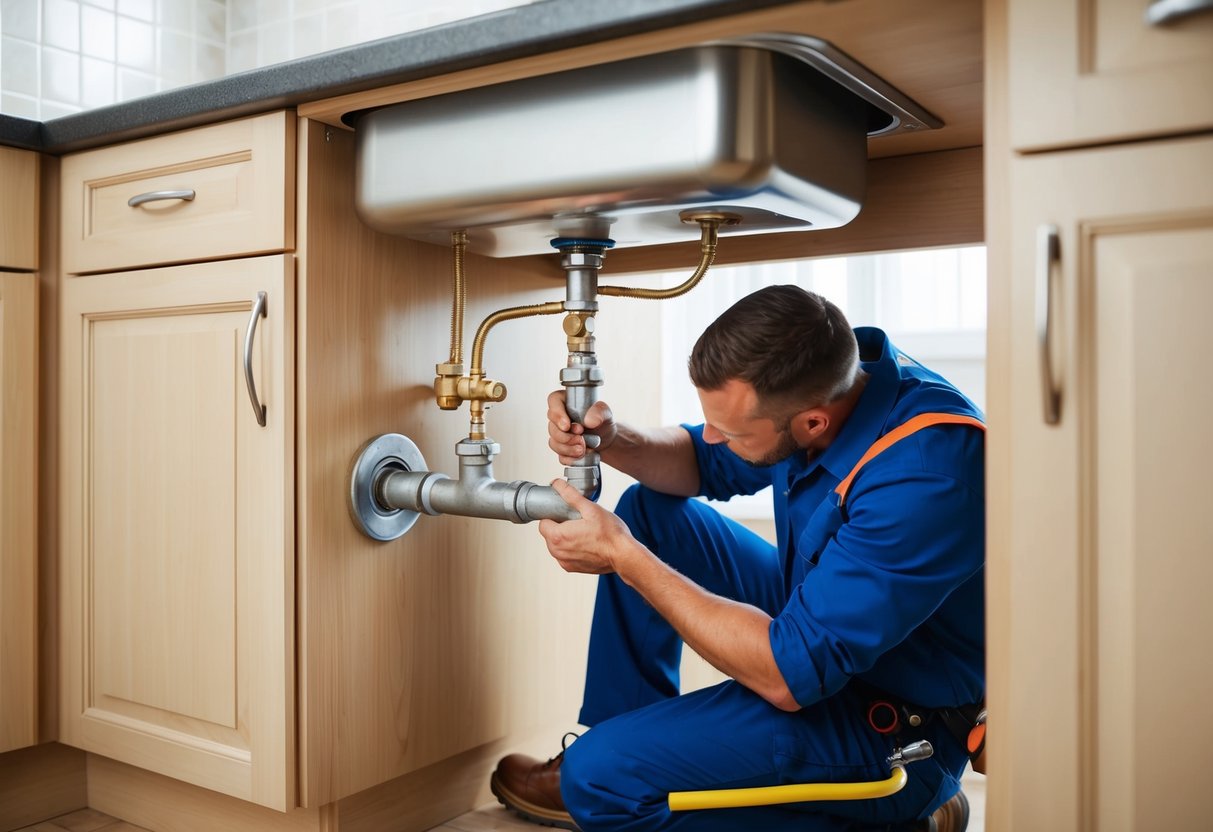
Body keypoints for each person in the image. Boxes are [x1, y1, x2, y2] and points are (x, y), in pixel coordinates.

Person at [490, 285, 985, 832]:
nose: (711, 433)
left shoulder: (926, 475)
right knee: (652, 515)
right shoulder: (838, 384)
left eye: (729, 429)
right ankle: (622, 745)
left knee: (600, 782)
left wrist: (622, 557)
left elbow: (787, 675)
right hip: (827, 630)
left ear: (813, 423)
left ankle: (895, 810)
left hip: (895, 720)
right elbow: (704, 461)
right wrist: (612, 439)